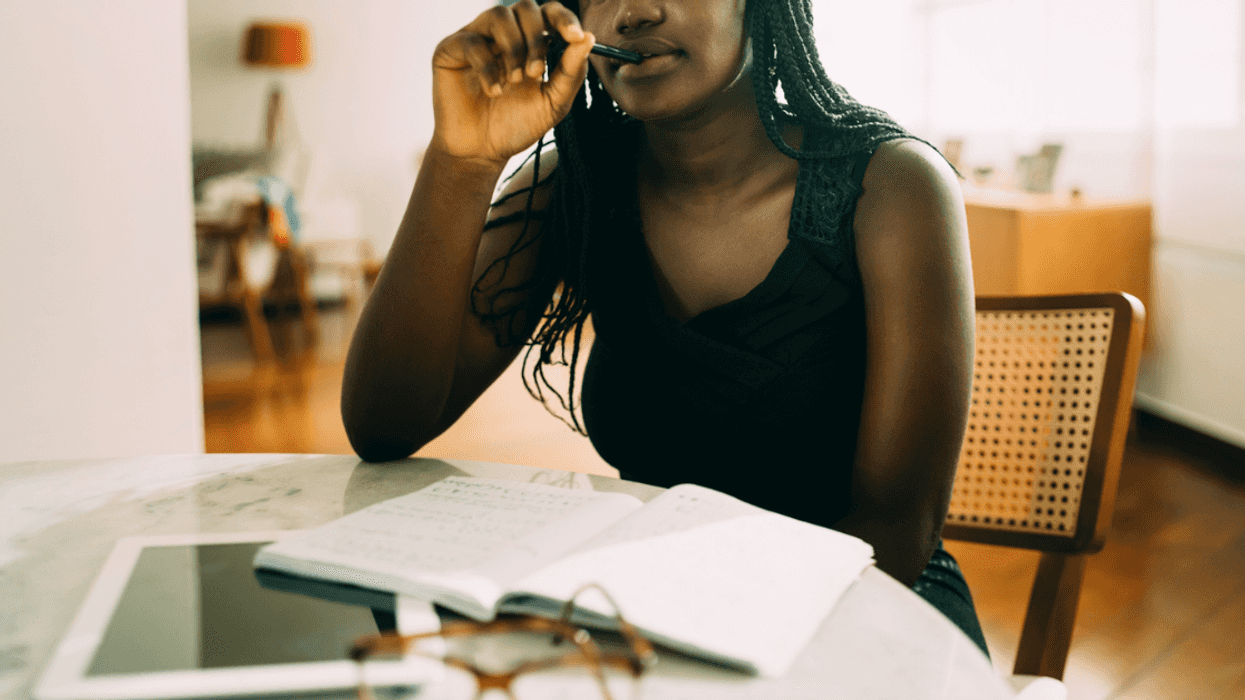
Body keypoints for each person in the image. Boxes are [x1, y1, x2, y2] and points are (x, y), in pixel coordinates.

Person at [341, 0, 987, 655]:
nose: (632, 13)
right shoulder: (575, 185)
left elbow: (895, 527)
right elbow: (383, 423)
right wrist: (462, 159)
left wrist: (676, 635)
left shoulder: (895, 184)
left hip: (862, 617)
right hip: (646, 610)